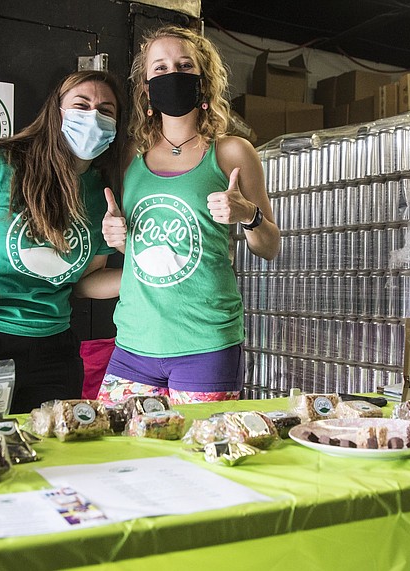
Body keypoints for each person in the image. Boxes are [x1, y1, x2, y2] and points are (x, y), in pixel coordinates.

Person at [97, 25, 280, 406]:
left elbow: (270, 247)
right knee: (118, 453)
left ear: (203, 82)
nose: (173, 75)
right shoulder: (129, 156)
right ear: (146, 87)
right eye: (160, 68)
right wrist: (117, 236)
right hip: (133, 343)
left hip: (206, 343)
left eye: (184, 65)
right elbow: (134, 238)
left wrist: (248, 215)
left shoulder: (232, 152)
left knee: (200, 456)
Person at [0, 70, 127, 414]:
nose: (93, 116)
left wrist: (150, 274)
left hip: (53, 349)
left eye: (106, 110)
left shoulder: (102, 192)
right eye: (81, 105)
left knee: (52, 455)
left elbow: (84, 283)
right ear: (56, 112)